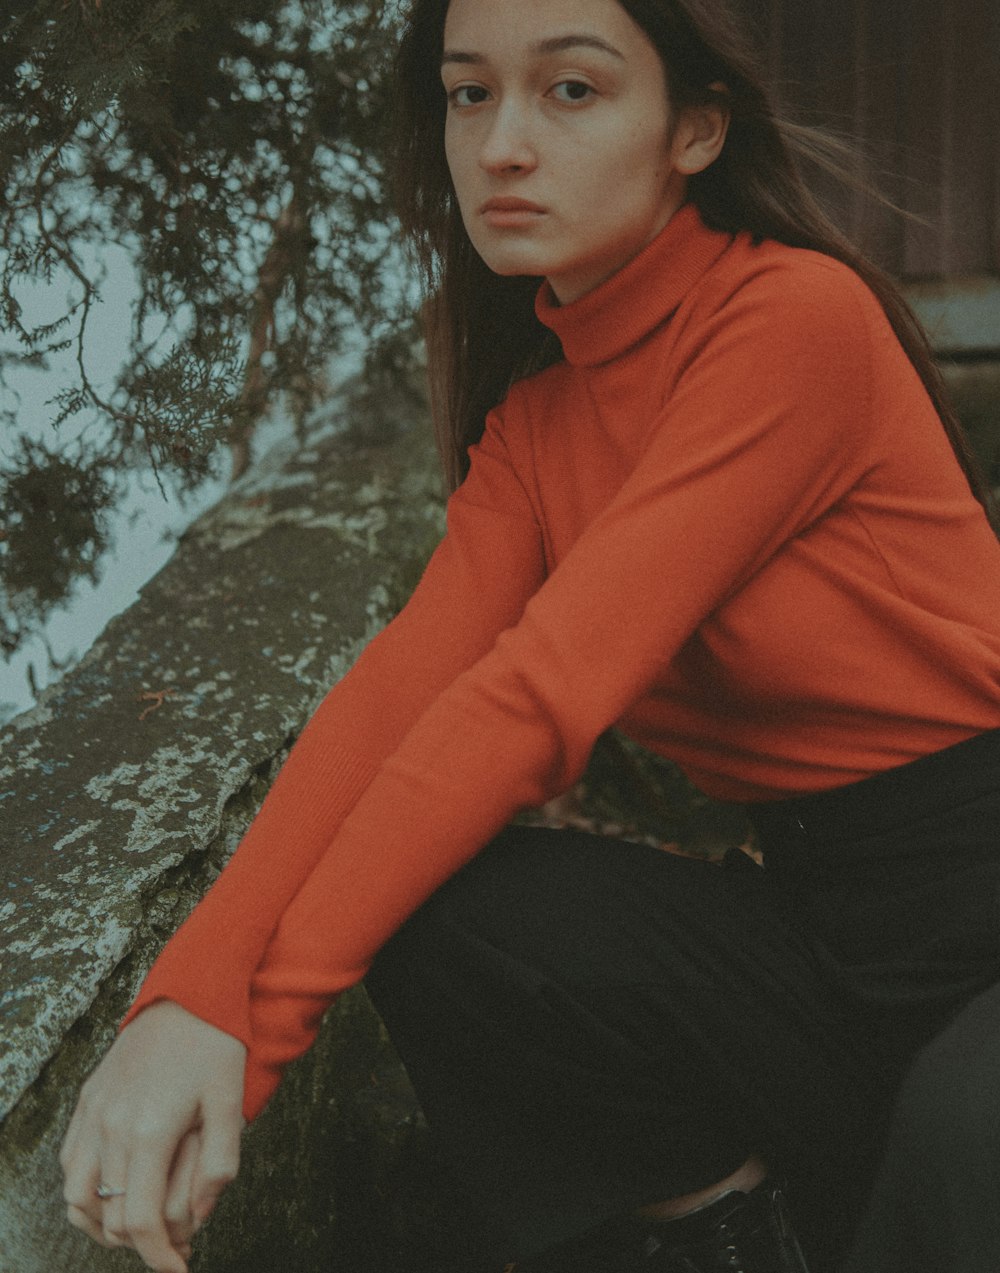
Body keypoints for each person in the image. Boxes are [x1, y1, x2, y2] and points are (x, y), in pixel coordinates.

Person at [60, 0, 1000, 1270]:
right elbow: (397, 697)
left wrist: (259, 1036)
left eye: (570, 91)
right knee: (466, 925)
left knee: (962, 1149)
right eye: (467, 94)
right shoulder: (539, 427)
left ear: (695, 130)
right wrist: (187, 999)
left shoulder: (791, 321)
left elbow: (539, 695)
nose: (502, 144)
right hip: (827, 930)